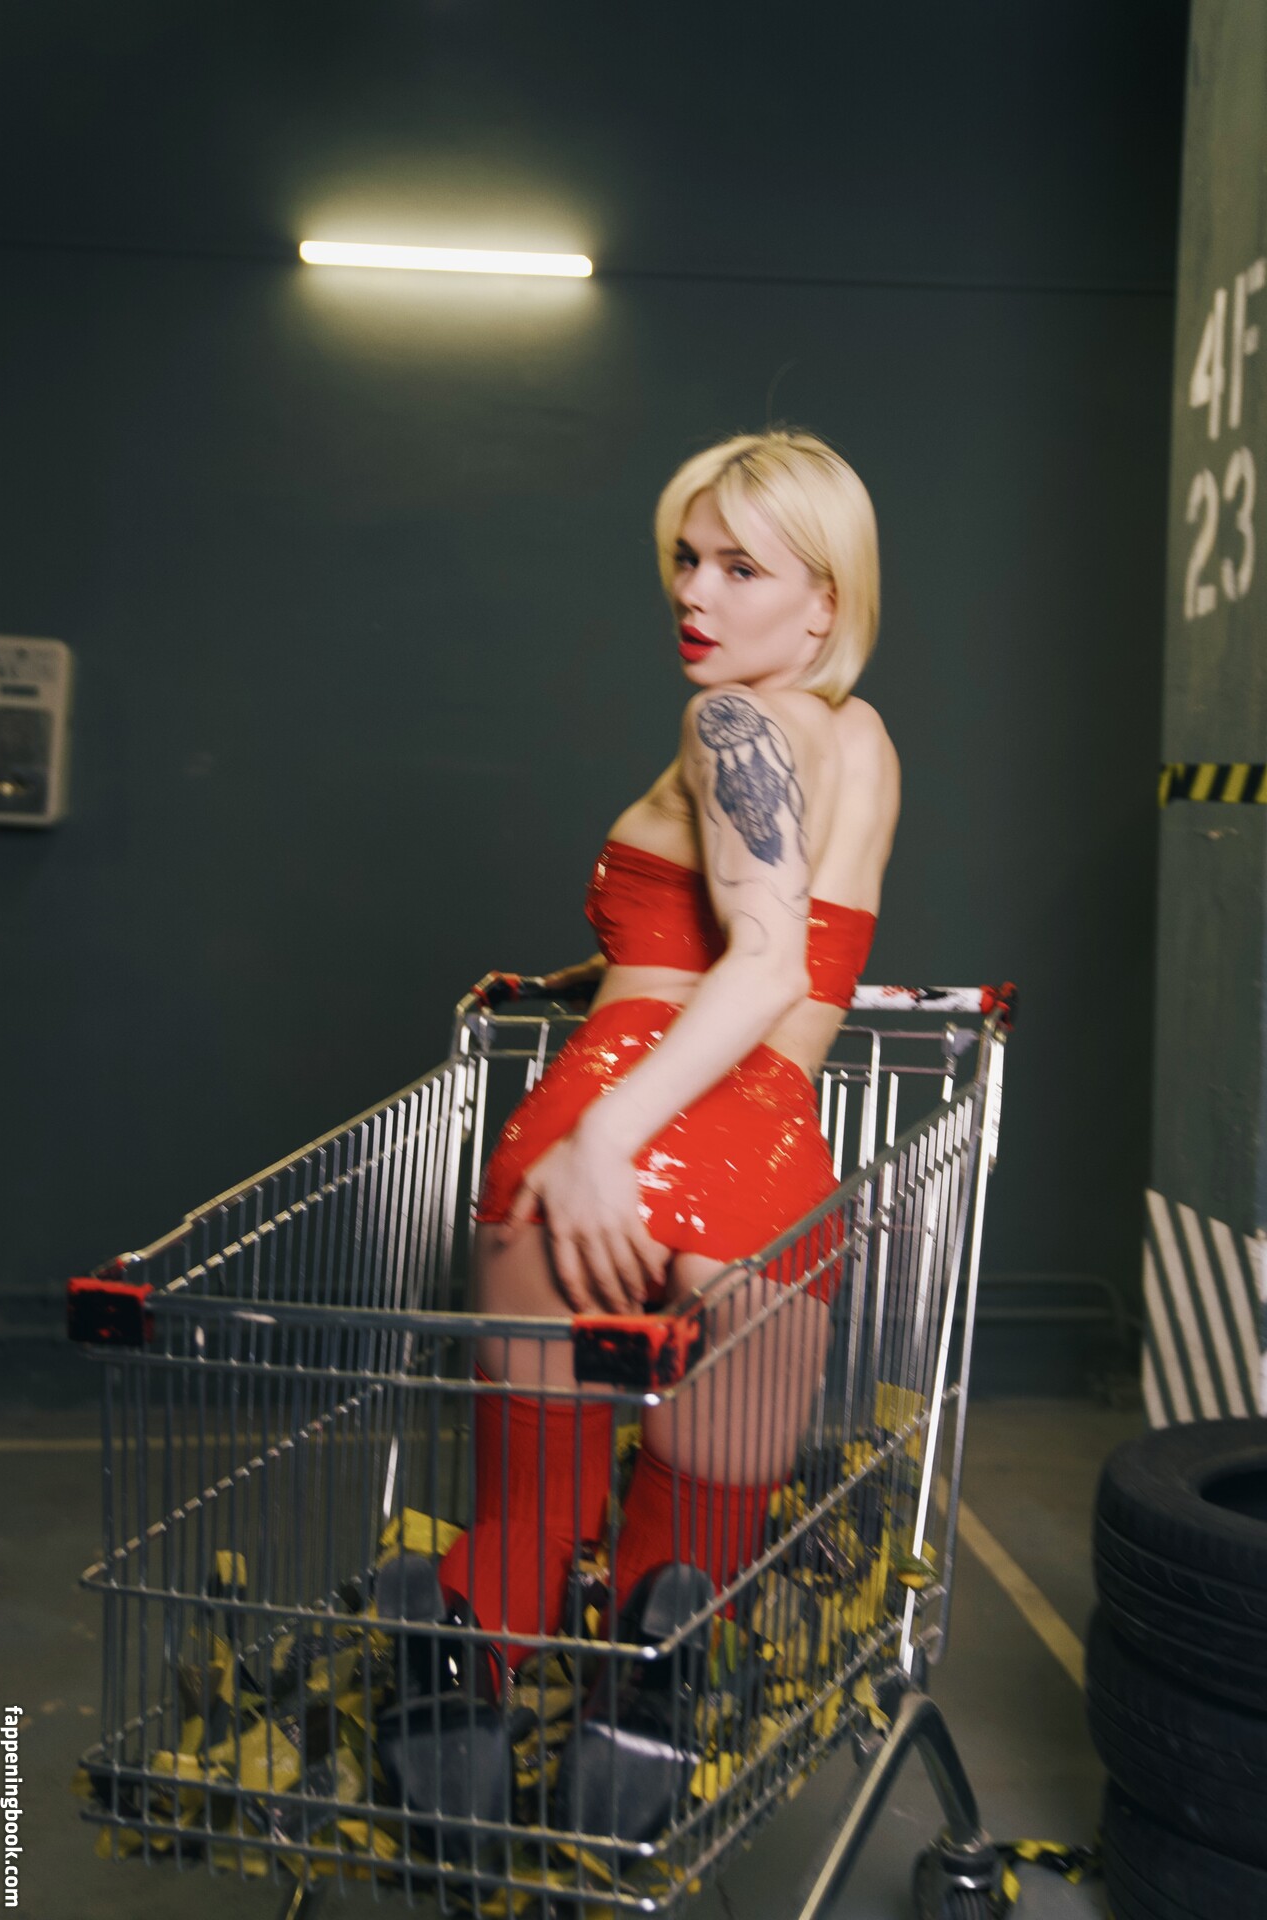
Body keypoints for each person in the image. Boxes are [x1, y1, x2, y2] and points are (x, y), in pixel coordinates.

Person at [437, 429, 900, 1663]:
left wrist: (604, 1143)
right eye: (688, 559)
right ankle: (644, 1730)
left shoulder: (727, 720)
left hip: (613, 1117)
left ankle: (464, 1710)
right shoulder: (862, 743)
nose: (694, 593)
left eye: (740, 569)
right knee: (689, 1568)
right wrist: (617, 959)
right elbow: (793, 946)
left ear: (824, 602)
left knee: (527, 1532)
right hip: (768, 1172)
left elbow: (762, 960)